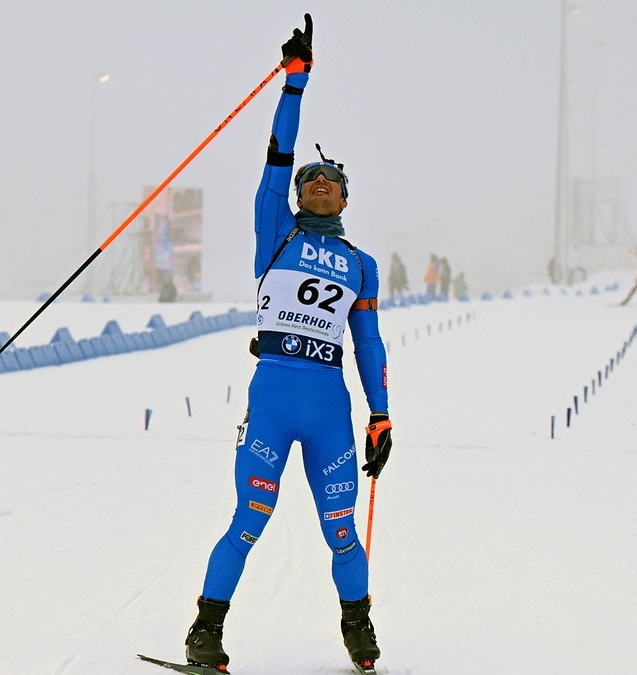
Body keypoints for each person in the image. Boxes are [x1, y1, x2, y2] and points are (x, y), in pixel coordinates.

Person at [183, 15, 391, 674]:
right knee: (250, 517)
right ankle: (204, 631)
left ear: (345, 196)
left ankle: (357, 626)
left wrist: (381, 414)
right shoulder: (275, 231)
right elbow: (278, 154)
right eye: (309, 179)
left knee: (341, 530)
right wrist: (294, 82)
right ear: (297, 195)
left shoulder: (361, 264)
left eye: (330, 179)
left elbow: (368, 343)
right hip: (274, 393)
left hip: (330, 404)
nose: (318, 183)